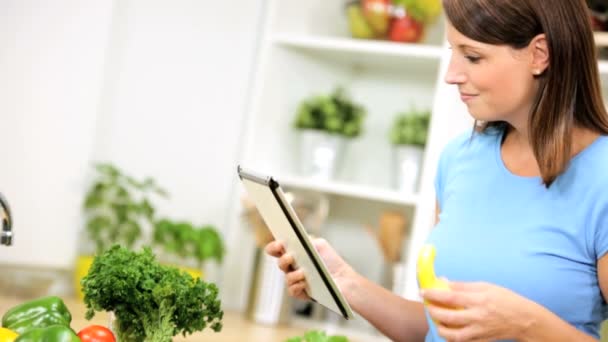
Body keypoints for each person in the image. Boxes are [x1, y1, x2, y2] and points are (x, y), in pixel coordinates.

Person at [266, 0, 608, 341]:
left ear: (539, 54)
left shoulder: (601, 176)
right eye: (452, 52)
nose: (451, 75)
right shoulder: (462, 157)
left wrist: (526, 322)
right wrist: (345, 282)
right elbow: (434, 329)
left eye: (472, 56)